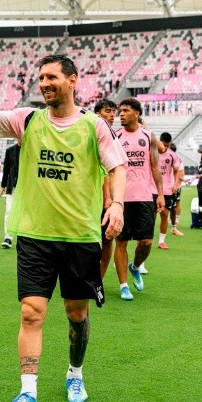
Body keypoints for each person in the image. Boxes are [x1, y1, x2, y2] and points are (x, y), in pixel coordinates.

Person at [0, 35, 127, 402]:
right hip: (35, 236)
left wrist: (117, 204)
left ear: (73, 80)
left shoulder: (93, 126)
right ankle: (28, 392)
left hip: (80, 237)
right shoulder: (29, 119)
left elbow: (117, 167)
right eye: (41, 78)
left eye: (52, 77)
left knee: (76, 312)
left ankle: (75, 372)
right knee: (31, 312)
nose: (44, 83)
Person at [112, 98, 163, 301]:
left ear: (137, 113)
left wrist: (160, 193)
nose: (121, 114)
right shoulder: (115, 136)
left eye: (126, 110)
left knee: (147, 241)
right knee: (121, 241)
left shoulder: (148, 136)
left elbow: (155, 165)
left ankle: (135, 266)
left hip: (144, 196)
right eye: (120, 111)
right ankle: (124, 286)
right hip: (121, 197)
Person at [94, 99, 117, 276]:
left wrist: (110, 198)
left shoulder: (114, 136)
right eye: (107, 111)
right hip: (89, 197)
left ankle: (98, 279)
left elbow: (111, 171)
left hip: (107, 199)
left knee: (107, 239)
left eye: (113, 112)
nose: (112, 115)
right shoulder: (90, 133)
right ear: (97, 114)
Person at [156, 132, 182, 250]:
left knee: (164, 215)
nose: (165, 148)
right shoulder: (152, 152)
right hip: (152, 190)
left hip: (167, 190)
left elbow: (177, 171)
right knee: (150, 217)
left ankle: (161, 241)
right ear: (159, 141)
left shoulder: (172, 155)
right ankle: (146, 239)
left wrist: (176, 184)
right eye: (163, 145)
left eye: (167, 145)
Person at [0, 141, 20, 248]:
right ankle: (8, 237)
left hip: (26, 187)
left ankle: (23, 237)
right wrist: (3, 185)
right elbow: (6, 169)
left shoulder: (30, 148)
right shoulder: (10, 151)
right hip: (11, 186)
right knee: (9, 211)